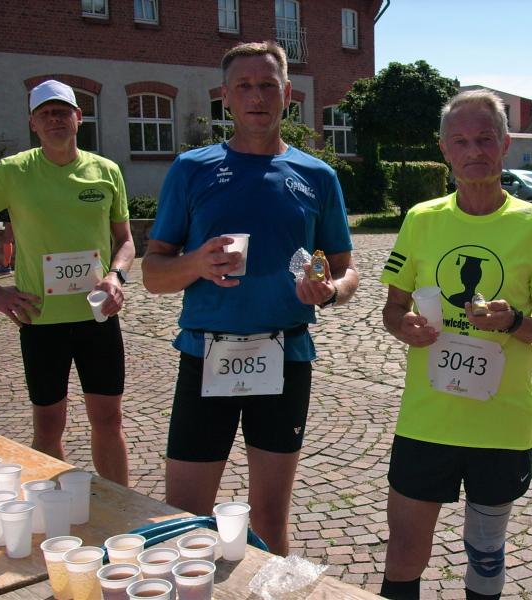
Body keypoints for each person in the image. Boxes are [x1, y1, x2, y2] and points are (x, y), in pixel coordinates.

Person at [141, 41, 358, 556]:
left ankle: (270, 590)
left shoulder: (317, 176)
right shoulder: (191, 169)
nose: (256, 96)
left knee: (270, 521)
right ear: (225, 96)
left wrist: (330, 291)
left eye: (267, 85)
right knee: (184, 518)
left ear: (287, 93)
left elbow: (346, 269)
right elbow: (152, 273)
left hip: (285, 356)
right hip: (206, 353)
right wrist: (196, 264)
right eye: (244, 86)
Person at [379, 89, 532, 600]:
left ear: (505, 143)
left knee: (485, 555)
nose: (474, 151)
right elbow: (392, 309)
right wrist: (405, 326)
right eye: (461, 141)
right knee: (404, 554)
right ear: (444, 149)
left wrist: (513, 322)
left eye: (485, 139)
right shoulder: (422, 219)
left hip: (499, 424)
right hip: (427, 420)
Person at [0, 80, 133, 486]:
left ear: (79, 117)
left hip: (97, 317)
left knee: (109, 419)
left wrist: (116, 275)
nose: (55, 120)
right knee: (49, 424)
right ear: (33, 123)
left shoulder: (106, 171)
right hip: (41, 320)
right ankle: (54, 506)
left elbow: (125, 240)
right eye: (45, 114)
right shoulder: (12, 172)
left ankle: (122, 506)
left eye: (62, 111)